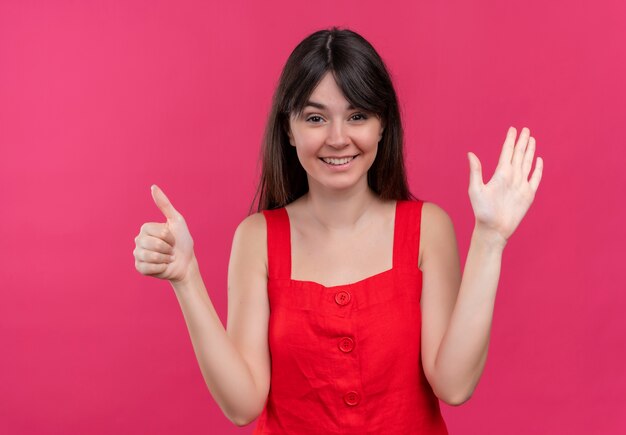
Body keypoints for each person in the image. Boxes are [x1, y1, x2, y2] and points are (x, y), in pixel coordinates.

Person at [133, 27, 543, 434]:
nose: (338, 138)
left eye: (358, 116)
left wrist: (490, 239)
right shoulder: (257, 238)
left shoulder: (427, 230)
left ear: (383, 125)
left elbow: (454, 385)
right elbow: (242, 406)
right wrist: (186, 279)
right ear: (289, 130)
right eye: (315, 118)